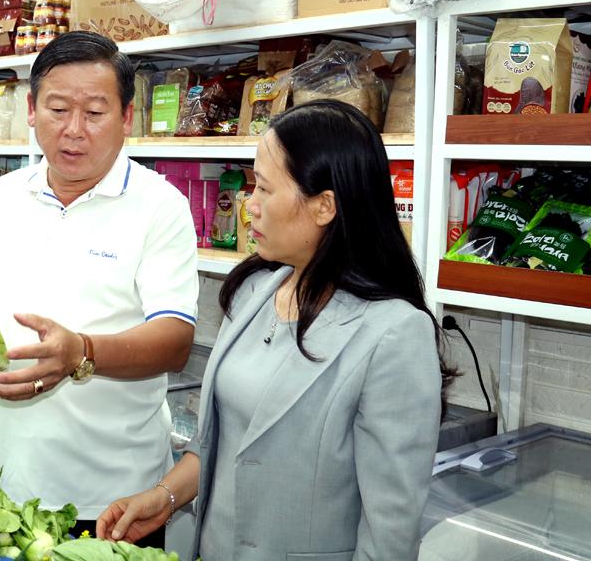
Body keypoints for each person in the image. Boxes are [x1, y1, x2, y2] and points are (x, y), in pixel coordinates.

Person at [97, 99, 455, 560]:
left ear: (324, 206)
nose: (250, 207)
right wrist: (163, 498)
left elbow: (390, 530)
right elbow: (221, 445)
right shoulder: (255, 292)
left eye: (265, 189)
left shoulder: (393, 333)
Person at [0, 31, 199, 548]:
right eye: (57, 110)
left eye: (95, 113)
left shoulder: (159, 205)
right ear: (31, 110)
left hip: (117, 499)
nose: (74, 130)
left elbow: (175, 340)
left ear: (127, 118)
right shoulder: (3, 196)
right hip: (13, 485)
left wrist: (81, 352)